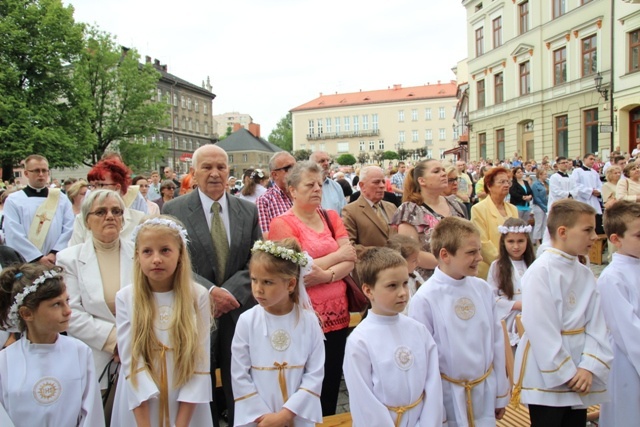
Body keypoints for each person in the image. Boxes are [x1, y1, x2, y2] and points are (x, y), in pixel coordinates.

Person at [162, 144, 261, 426]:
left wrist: (229, 292)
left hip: (236, 312)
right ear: (193, 173)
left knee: (239, 383)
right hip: (194, 313)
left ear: (230, 172)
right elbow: (173, 260)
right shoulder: (174, 210)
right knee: (198, 386)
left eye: (221, 167)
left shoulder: (247, 210)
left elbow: (256, 258)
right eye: (207, 167)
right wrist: (209, 292)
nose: (215, 174)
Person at [512, 199, 612, 427]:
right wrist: (568, 372)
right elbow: (540, 329)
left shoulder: (584, 272)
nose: (595, 236)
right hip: (548, 375)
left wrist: (588, 366)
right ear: (563, 232)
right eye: (587, 230)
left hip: (581, 370)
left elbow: (597, 324)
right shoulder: (541, 271)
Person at [268, 161, 357, 416]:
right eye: (310, 184)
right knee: (305, 386)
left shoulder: (331, 216)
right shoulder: (283, 224)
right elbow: (295, 269)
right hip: (304, 317)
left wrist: (326, 275)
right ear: (293, 190)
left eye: (320, 183)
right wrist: (336, 256)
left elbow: (350, 259)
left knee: (330, 383)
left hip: (337, 314)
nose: (317, 188)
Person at [111, 217, 213, 427]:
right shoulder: (126, 298)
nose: (156, 259)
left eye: (165, 250)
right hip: (140, 403)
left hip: (185, 399)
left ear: (180, 255)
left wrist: (181, 423)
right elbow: (132, 360)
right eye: (147, 251)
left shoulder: (198, 296)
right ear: (137, 256)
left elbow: (200, 361)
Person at [409, 217, 509, 426]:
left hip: (484, 390)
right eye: (471, 253)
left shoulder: (482, 289)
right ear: (445, 254)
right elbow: (424, 360)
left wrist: (500, 393)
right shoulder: (425, 298)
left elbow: (497, 342)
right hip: (447, 395)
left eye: (479, 251)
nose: (480, 258)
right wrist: (433, 408)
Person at [343, 247, 444, 427]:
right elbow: (364, 400)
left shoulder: (418, 331)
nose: (403, 292)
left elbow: (433, 384)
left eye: (405, 283)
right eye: (392, 286)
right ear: (368, 290)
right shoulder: (360, 341)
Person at [231, 239, 324, 427]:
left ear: (290, 284)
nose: (258, 289)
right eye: (254, 280)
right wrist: (263, 417)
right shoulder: (247, 321)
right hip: (258, 418)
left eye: (267, 282)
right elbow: (239, 374)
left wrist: (286, 415)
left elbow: (315, 373)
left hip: (297, 415)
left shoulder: (309, 321)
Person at [0, 264, 104, 426]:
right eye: (56, 304)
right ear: (27, 313)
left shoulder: (79, 352)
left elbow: (91, 413)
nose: (68, 310)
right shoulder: (5, 362)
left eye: (67, 301)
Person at [55, 190, 134, 393]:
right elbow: (70, 312)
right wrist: (116, 341)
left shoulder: (140, 253)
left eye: (116, 211)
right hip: (94, 355)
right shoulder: (68, 259)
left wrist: (133, 341)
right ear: (86, 221)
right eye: (101, 212)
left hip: (140, 350)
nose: (110, 216)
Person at [597, 201, 640, 426]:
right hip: (627, 364)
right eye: (639, 235)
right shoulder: (612, 277)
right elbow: (628, 331)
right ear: (616, 240)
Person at [391, 159, 467, 280]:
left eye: (443, 170)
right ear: (422, 181)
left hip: (460, 276)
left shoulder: (454, 204)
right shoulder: (410, 210)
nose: (443, 174)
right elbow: (411, 253)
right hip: (428, 280)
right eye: (436, 171)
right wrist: (452, 262)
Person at [3, 155, 75, 266]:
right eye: (36, 170)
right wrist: (37, 257)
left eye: (44, 170)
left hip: (57, 260)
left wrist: (55, 253)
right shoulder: (14, 200)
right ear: (26, 173)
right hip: (28, 263)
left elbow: (69, 228)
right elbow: (14, 233)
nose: (41, 174)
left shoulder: (60, 198)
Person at [68, 158, 147, 246]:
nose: (93, 191)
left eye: (100, 185)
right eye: (92, 186)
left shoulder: (139, 219)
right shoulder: (82, 219)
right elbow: (73, 253)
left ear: (117, 188)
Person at [486, 218, 534, 349]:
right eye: (511, 241)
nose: (516, 246)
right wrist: (517, 305)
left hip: (532, 318)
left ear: (527, 241)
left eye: (520, 241)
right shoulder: (497, 266)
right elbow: (492, 297)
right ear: (503, 242)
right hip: (509, 320)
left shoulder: (533, 264)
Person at [470, 166, 518, 279]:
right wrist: (503, 263)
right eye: (501, 182)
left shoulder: (513, 209)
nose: (506, 185)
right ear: (489, 186)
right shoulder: (478, 209)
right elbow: (483, 242)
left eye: (508, 182)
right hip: (490, 270)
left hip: (513, 267)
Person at [342, 166, 397, 260]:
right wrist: (382, 253)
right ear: (362, 185)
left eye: (383, 181)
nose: (382, 185)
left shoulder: (391, 207)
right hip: (370, 269)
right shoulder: (350, 211)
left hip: (396, 267)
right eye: (376, 182)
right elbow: (350, 247)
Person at [256, 152, 296, 239]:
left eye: (296, 167)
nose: (295, 171)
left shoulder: (305, 194)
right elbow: (267, 239)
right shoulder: (265, 201)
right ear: (274, 175)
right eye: (289, 168)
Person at [385, 234, 424, 314]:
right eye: (414, 261)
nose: (418, 262)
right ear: (401, 261)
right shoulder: (394, 282)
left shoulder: (415, 275)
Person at [570, 153, 603, 233]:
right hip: (583, 200)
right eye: (591, 159)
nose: (593, 161)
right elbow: (575, 185)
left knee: (597, 226)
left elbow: (600, 185)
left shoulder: (594, 172)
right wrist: (590, 191)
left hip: (595, 202)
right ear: (584, 159)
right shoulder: (577, 171)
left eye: (594, 160)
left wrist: (599, 192)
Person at [531, 169, 549, 244]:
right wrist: (543, 206)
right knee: (539, 223)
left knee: (545, 223)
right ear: (540, 175)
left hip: (546, 204)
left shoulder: (547, 183)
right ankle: (537, 241)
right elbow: (536, 197)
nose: (546, 175)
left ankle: (544, 239)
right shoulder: (535, 184)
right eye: (544, 174)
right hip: (538, 205)